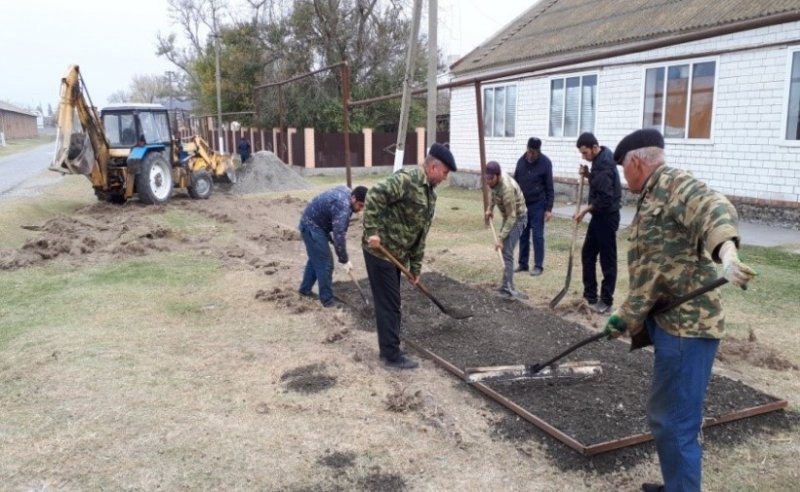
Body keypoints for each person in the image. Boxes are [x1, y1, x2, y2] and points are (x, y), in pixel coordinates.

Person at [602, 129, 756, 492]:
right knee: (666, 417)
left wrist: (726, 252)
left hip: (689, 328)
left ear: (637, 162)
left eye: (625, 168)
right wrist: (625, 318)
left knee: (676, 423)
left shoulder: (672, 183)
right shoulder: (653, 192)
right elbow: (655, 268)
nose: (625, 178)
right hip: (670, 322)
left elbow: (714, 208)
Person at [362, 143, 457, 370]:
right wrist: (371, 231)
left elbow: (420, 234)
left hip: (398, 254)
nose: (445, 178)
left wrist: (415, 268)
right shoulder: (407, 180)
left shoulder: (430, 195)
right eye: (445, 173)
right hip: (380, 252)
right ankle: (390, 356)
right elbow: (374, 195)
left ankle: (391, 348)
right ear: (433, 167)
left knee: (392, 303)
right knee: (390, 304)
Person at [573, 132, 622, 314]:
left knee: (607, 260)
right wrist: (588, 175)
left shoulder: (605, 164)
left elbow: (605, 198)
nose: (584, 156)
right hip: (599, 216)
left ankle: (606, 300)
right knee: (588, 254)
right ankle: (590, 296)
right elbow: (600, 183)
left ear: (595, 147)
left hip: (607, 217)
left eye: (585, 153)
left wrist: (584, 211)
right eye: (582, 154)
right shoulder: (599, 159)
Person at [298, 185, 368, 308]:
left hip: (315, 223)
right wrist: (344, 260)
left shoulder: (347, 194)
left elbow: (335, 225)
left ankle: (305, 290)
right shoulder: (343, 207)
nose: (361, 209)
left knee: (316, 259)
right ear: (353, 198)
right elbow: (339, 235)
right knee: (326, 263)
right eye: (360, 205)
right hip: (312, 226)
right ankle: (328, 301)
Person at [483, 160, 528, 301]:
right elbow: (493, 193)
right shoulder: (494, 182)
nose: (488, 182)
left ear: (497, 176)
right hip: (509, 217)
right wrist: (490, 208)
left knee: (507, 252)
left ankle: (509, 289)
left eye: (491, 179)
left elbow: (512, 217)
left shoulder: (507, 189)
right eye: (486, 178)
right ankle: (505, 286)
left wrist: (501, 238)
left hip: (518, 218)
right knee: (504, 251)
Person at [514, 137, 554, 276]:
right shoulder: (521, 161)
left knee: (537, 235)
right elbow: (515, 183)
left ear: (539, 151)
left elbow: (550, 188)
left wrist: (548, 209)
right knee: (523, 234)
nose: (531, 155)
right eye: (529, 151)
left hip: (538, 204)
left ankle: (538, 266)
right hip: (523, 204)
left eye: (534, 153)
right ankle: (523, 264)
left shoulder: (545, 163)